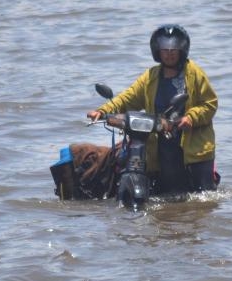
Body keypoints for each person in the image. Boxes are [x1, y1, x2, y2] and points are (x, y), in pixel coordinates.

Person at [87, 24, 218, 194]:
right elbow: (128, 98)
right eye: (165, 49)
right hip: (160, 145)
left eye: (173, 49)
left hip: (192, 148)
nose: (169, 53)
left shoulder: (194, 73)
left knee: (202, 200)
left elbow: (210, 103)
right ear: (157, 51)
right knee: (162, 196)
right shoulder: (150, 77)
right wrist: (103, 111)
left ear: (181, 50)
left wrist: (191, 117)